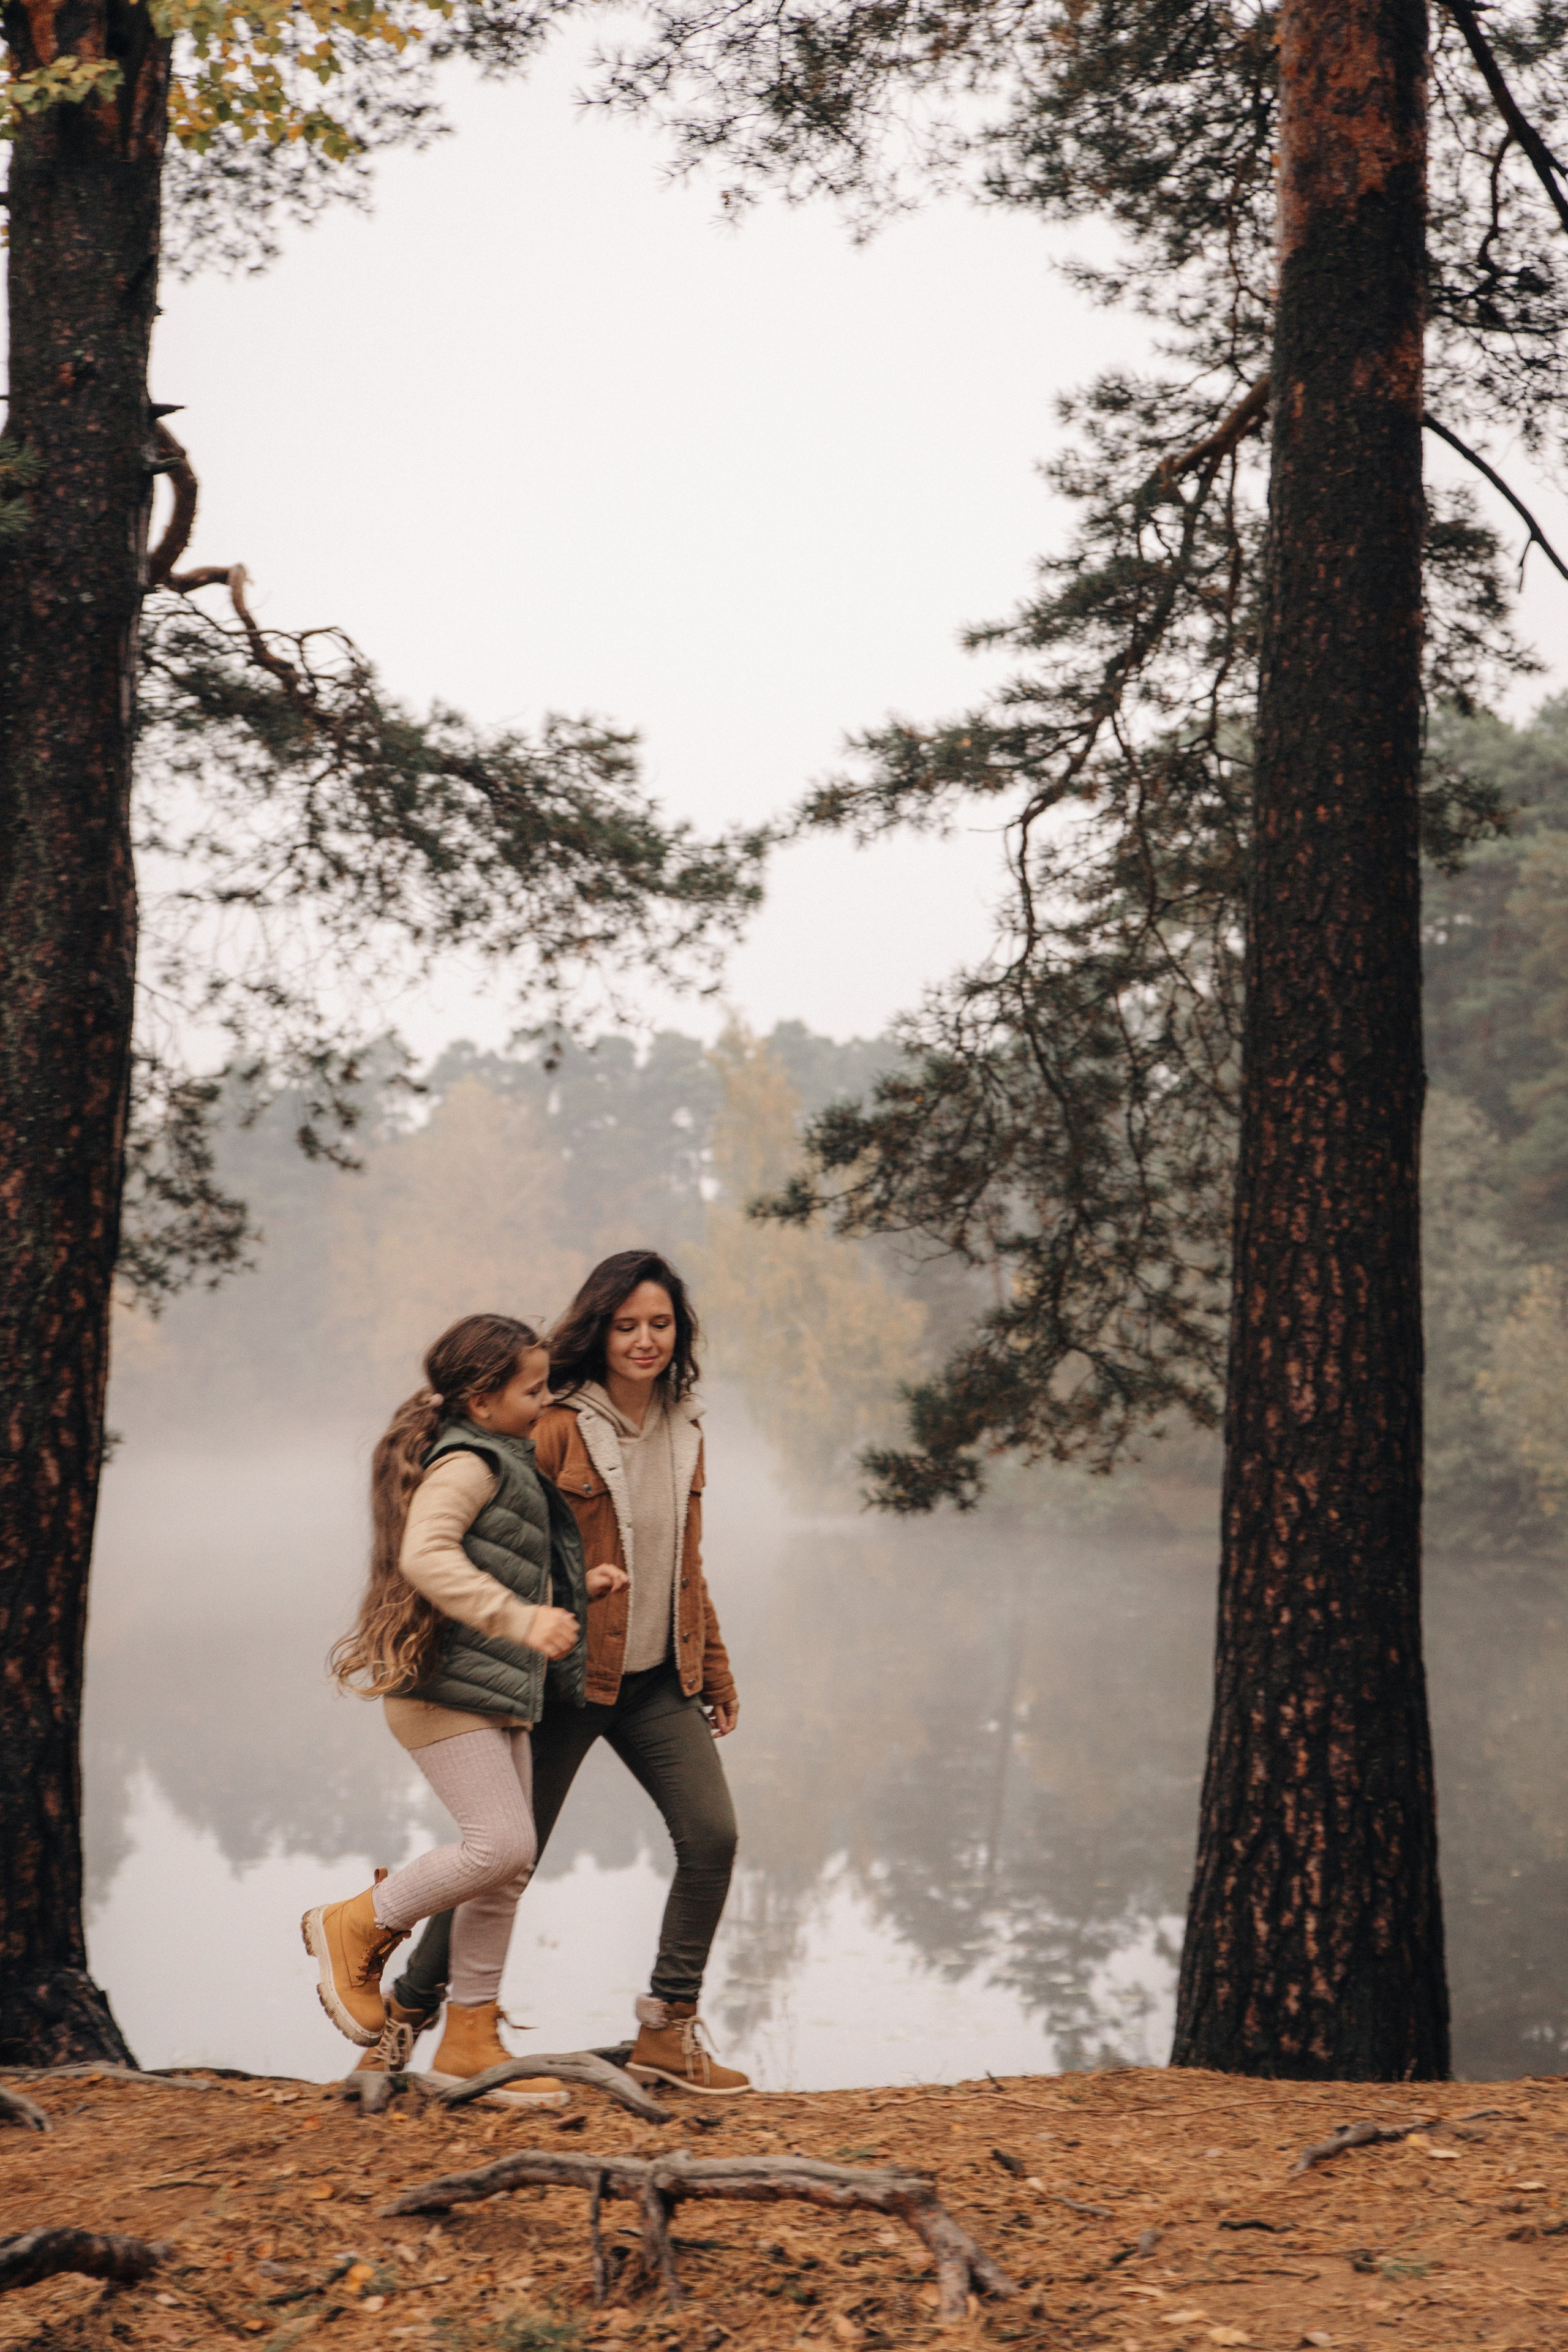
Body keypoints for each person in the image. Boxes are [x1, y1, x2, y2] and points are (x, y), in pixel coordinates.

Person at [387, 1251, 750, 2095]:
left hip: (661, 1678)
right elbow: (491, 1542)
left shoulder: (687, 1423)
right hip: (568, 1676)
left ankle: (668, 2029)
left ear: (679, 1332)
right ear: (600, 1328)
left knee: (713, 1837)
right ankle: (403, 2020)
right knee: (505, 1860)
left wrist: (717, 1671)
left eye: (660, 1324)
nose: (645, 1340)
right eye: (627, 1325)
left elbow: (684, 1564)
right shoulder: (552, 1423)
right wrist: (510, 1626)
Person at [303, 1311, 629, 2104]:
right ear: (482, 1401)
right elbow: (426, 1555)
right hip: (443, 1694)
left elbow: (495, 1561)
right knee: (502, 1843)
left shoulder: (508, 1458)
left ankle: (470, 2046)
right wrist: (520, 1619)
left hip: (490, 1690)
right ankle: (356, 1922)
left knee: (505, 1872)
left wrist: (568, 1593)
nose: (547, 1400)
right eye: (534, 1387)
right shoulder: (471, 1461)